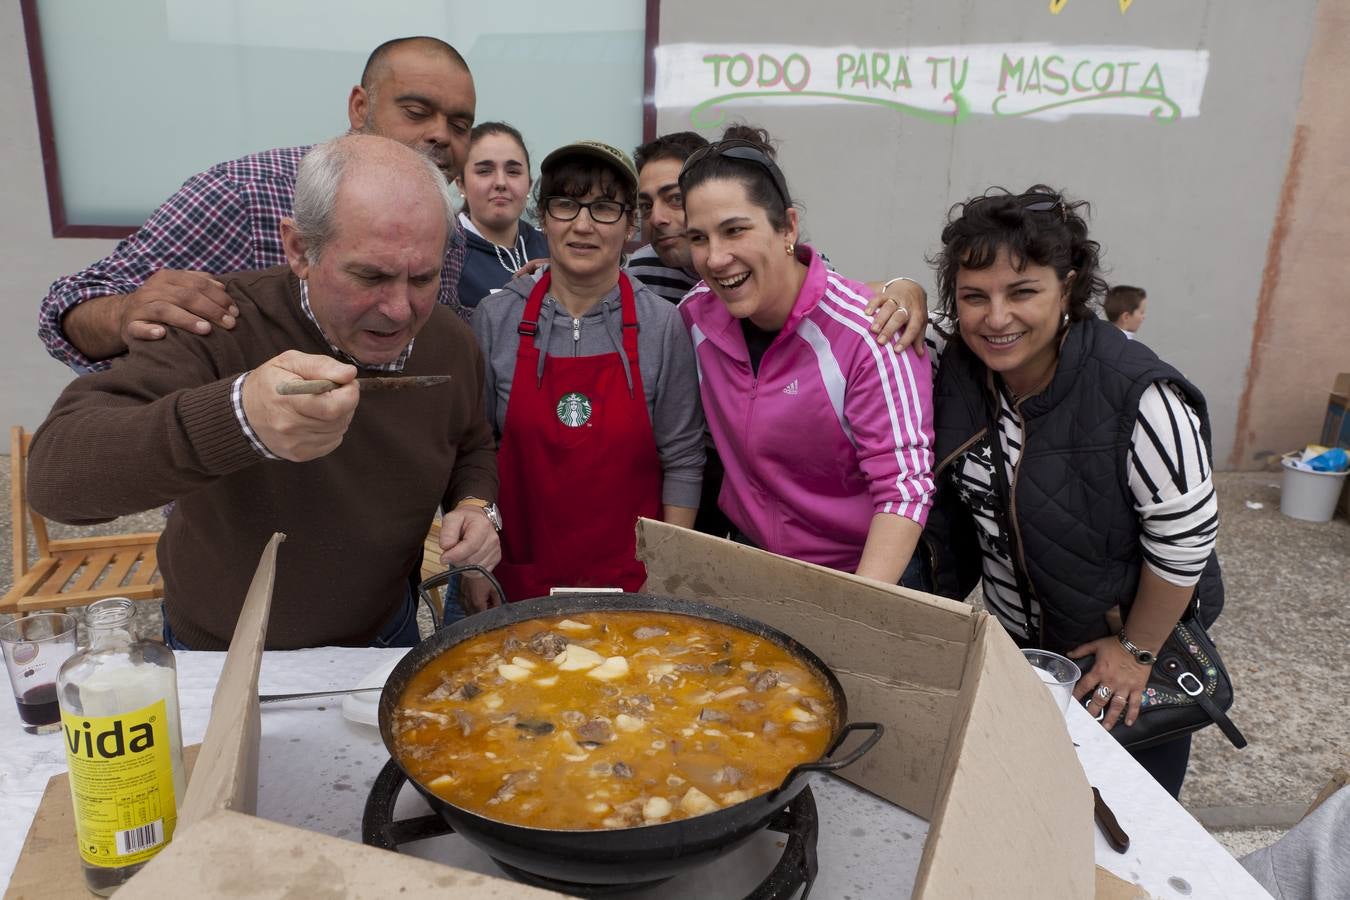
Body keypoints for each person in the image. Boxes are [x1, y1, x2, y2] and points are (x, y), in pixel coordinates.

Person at [25, 135, 501, 651]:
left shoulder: (450, 341)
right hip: (222, 650)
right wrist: (239, 416)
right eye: (370, 275)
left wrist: (476, 506)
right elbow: (57, 478)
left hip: (384, 634)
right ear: (299, 249)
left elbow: (471, 442)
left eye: (423, 278)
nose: (399, 310)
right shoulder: (220, 323)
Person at [919, 187, 1222, 798]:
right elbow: (874, 314)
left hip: (1118, 668)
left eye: (1023, 292)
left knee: (1121, 836)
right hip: (1019, 655)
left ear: (1070, 285)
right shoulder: (953, 361)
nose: (996, 318)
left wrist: (1136, 651)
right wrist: (904, 287)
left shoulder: (1139, 395)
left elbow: (1185, 542)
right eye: (975, 297)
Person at [38, 36, 477, 374]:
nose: (441, 135)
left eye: (460, 124)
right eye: (417, 111)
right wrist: (125, 313)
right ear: (360, 107)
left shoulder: (445, 229)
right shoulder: (244, 193)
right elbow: (71, 308)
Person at [631, 129, 930, 541]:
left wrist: (859, 602)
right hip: (754, 560)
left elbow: (903, 490)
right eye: (699, 238)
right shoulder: (693, 318)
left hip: (856, 568)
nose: (716, 258)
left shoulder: (871, 331)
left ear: (788, 228)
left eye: (735, 230)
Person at [471, 140, 704, 602]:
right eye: (565, 205)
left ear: (630, 223)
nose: (582, 225)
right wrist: (479, 565)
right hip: (517, 579)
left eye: (603, 208)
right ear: (543, 215)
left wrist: (667, 575)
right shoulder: (495, 319)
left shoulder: (663, 325)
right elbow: (476, 453)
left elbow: (683, 460)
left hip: (634, 584)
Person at [454, 122, 549, 308]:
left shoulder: (552, 248)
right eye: (484, 171)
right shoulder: (444, 255)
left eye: (513, 171)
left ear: (529, 185)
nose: (500, 182)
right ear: (461, 185)